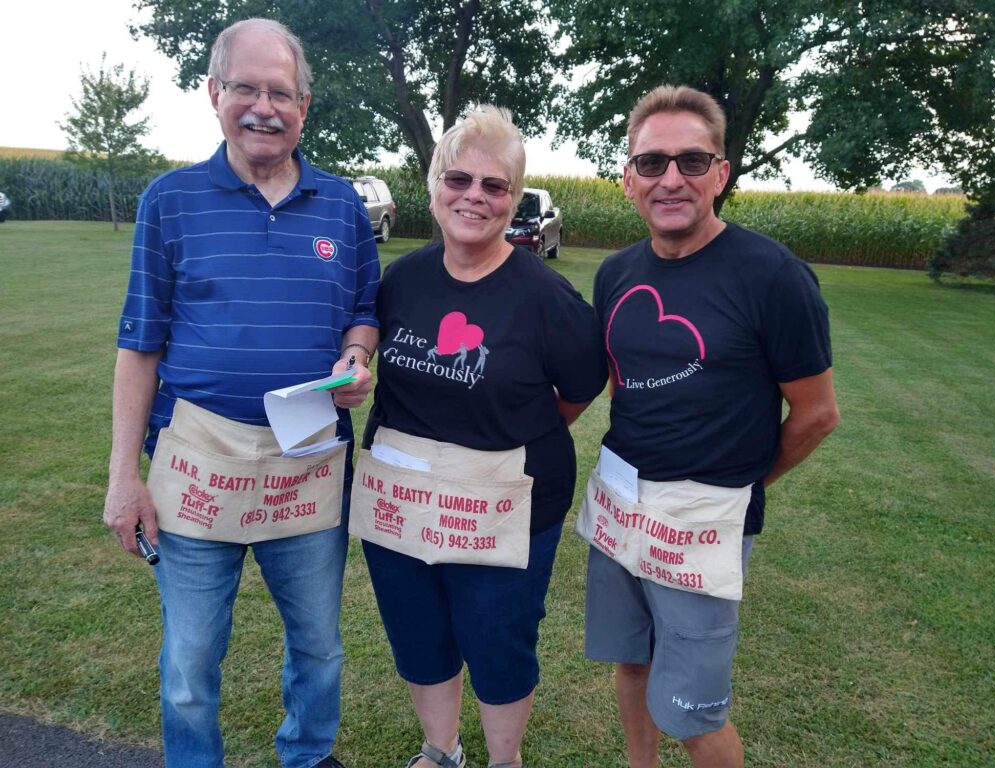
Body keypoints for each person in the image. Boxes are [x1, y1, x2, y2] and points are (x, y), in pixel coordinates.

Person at [102, 18, 380, 768]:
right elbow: (140, 345)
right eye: (247, 89)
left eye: (281, 92)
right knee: (191, 661)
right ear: (215, 93)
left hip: (308, 462)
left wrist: (356, 356)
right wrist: (124, 479)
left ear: (304, 106)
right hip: (198, 461)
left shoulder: (343, 206)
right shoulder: (170, 200)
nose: (264, 106)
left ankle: (308, 755)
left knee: (318, 644)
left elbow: (363, 310)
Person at [580, 85, 840, 768]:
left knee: (695, 711)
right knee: (631, 663)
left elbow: (817, 415)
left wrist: (740, 482)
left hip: (706, 523)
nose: (671, 178)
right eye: (652, 163)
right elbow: (623, 381)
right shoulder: (615, 274)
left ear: (721, 174)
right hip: (620, 506)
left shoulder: (773, 276)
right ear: (628, 179)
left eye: (692, 162)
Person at [350, 106, 607, 768]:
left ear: (514, 200)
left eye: (494, 186)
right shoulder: (401, 279)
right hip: (400, 495)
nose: (474, 197)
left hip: (503, 506)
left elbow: (578, 389)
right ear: (433, 183)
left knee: (498, 636)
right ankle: (441, 749)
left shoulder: (547, 298)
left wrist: (505, 437)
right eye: (458, 179)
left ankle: (503, 760)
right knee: (418, 629)